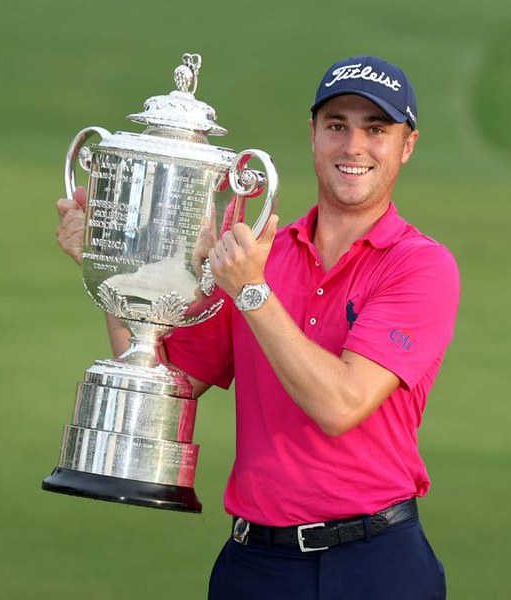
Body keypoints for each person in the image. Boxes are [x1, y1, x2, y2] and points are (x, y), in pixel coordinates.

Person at [56, 55, 460, 600]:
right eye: (337, 126)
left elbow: (340, 405)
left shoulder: (419, 265)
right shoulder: (259, 254)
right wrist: (113, 269)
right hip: (256, 565)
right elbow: (168, 375)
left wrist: (251, 292)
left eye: (376, 129)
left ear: (406, 145)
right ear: (313, 134)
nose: (354, 147)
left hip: (376, 564)